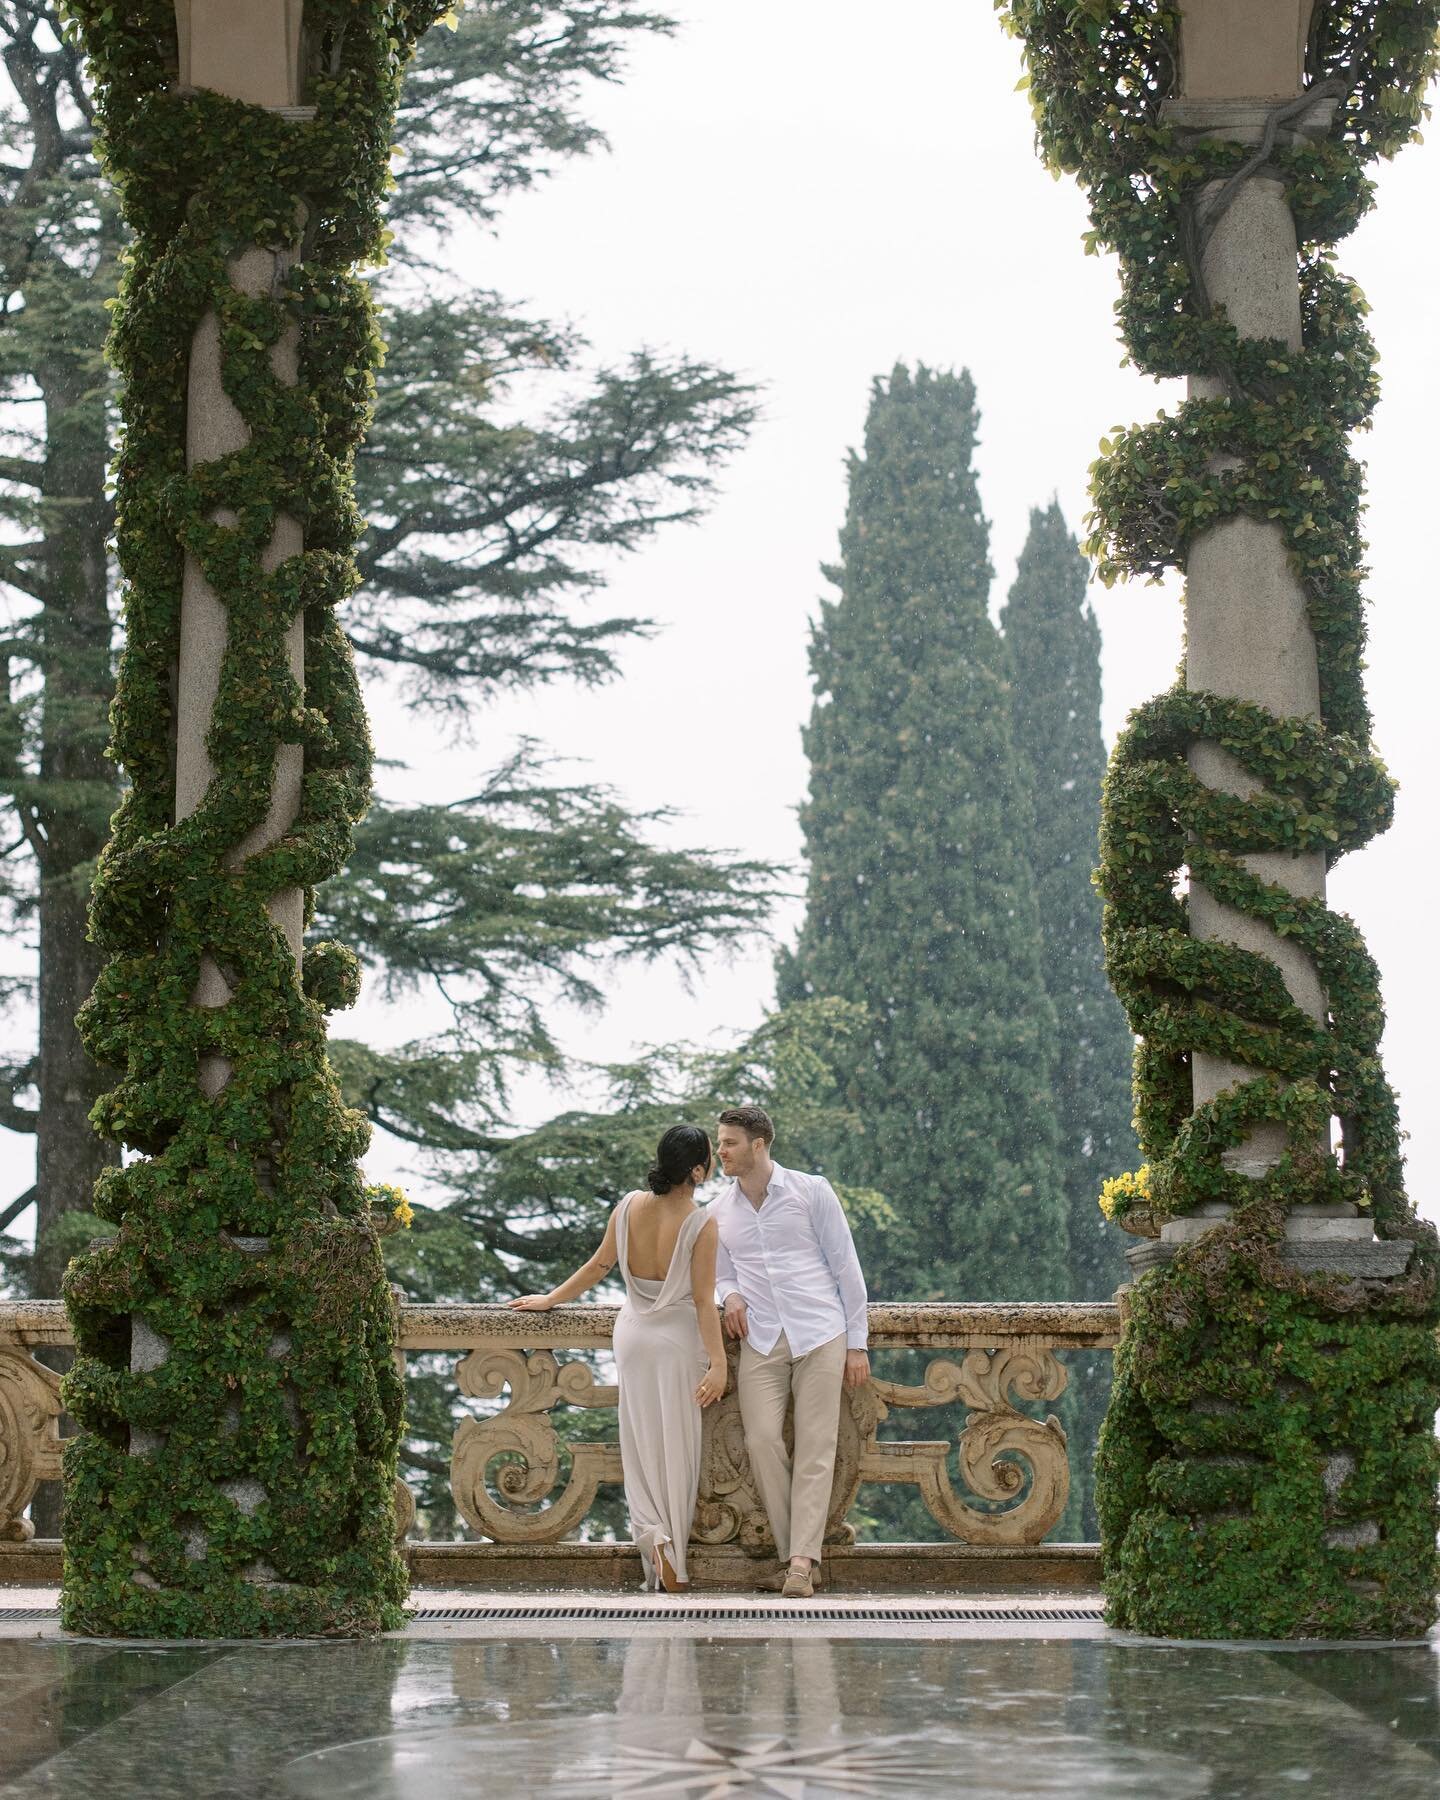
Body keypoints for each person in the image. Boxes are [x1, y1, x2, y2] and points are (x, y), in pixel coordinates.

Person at [508, 1124, 727, 1593]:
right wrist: (720, 1362)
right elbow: (706, 1302)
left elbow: (599, 1265)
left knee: (639, 1444)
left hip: (632, 1337)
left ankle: (653, 1539)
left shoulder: (628, 1206)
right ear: (696, 1169)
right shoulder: (701, 1221)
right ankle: (674, 1555)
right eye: (709, 1156)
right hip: (676, 1340)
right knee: (677, 1450)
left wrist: (550, 1298)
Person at [712, 1104, 869, 1599]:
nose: (721, 1151)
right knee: (760, 1440)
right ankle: (793, 1554)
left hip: (821, 1331)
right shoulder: (718, 1211)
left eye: (730, 1143)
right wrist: (730, 1295)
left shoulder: (811, 1191)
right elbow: (719, 1271)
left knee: (817, 1447)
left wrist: (857, 1342)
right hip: (761, 1336)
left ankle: (800, 1563)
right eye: (720, 1143)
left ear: (759, 1145)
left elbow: (846, 1266)